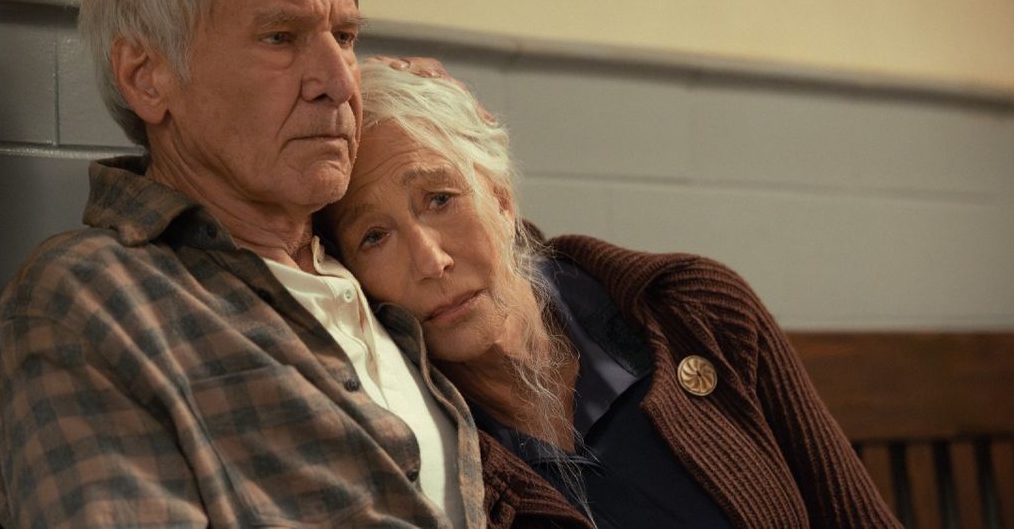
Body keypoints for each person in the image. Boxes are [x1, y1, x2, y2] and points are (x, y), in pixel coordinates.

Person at [0, 0, 488, 527]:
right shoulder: (91, 298)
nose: (337, 81)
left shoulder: (371, 258)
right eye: (280, 38)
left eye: (347, 38)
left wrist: (451, 140)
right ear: (148, 77)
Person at [319, 59, 903, 528]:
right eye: (374, 236)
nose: (430, 260)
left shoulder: (693, 311)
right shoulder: (414, 437)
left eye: (441, 199)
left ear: (500, 197)